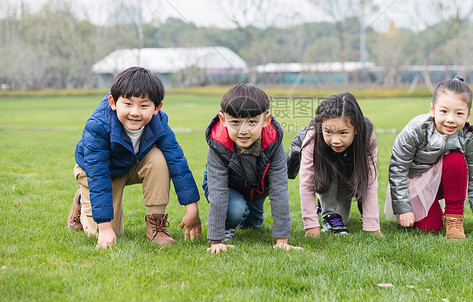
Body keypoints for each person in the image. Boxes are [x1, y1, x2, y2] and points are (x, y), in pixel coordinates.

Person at [67, 67, 202, 248]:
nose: (135, 112)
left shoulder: (159, 123)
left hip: (130, 165)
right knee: (106, 233)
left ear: (157, 107)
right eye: (128, 104)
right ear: (113, 102)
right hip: (97, 172)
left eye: (144, 105)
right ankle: (81, 203)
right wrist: (105, 228)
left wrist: (192, 208)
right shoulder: (98, 126)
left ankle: (156, 226)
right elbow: (98, 175)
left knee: (159, 157)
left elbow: (177, 162)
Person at [386, 77, 473, 239]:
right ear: (432, 110)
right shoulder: (416, 128)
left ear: (468, 115)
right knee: (431, 228)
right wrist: (404, 209)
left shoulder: (469, 137)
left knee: (456, 158)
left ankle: (454, 219)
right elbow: (398, 168)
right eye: (444, 111)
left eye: (459, 113)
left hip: (442, 179)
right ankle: (419, 210)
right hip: (414, 183)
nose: (451, 119)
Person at [203, 84, 302, 253]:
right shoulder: (218, 145)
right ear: (222, 119)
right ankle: (228, 224)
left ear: (266, 120)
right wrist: (216, 240)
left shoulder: (273, 143)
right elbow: (218, 191)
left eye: (251, 122)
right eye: (235, 122)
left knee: (254, 224)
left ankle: (251, 210)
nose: (243, 130)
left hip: (257, 188)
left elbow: (279, 188)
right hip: (228, 187)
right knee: (236, 210)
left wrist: (282, 240)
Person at [299, 92, 381, 237]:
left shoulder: (367, 134)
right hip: (324, 169)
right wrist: (311, 225)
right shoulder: (313, 134)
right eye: (329, 132)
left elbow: (370, 181)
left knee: (343, 219)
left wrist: (372, 225)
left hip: (349, 169)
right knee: (334, 218)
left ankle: (331, 205)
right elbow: (306, 182)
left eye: (343, 133)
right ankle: (326, 210)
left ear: (356, 129)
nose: (335, 140)